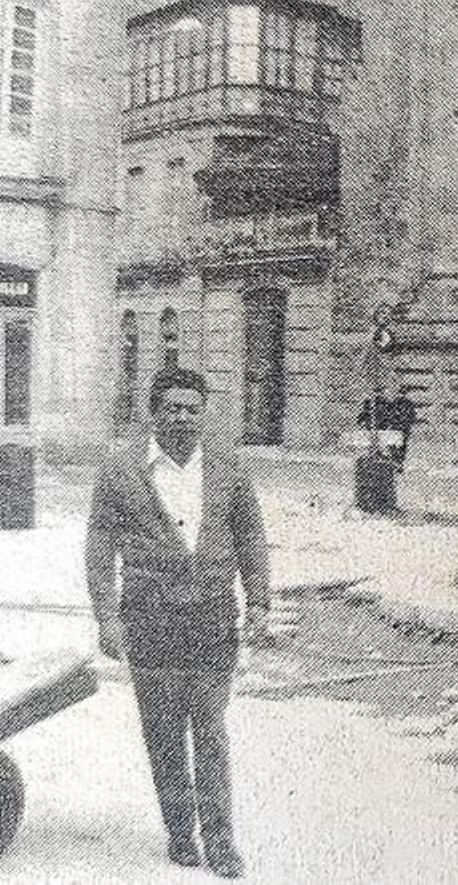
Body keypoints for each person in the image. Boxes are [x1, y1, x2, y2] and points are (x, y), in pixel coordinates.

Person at [85, 367, 269, 878]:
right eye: (173, 407)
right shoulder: (120, 470)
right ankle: (180, 832)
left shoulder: (229, 467)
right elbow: (99, 548)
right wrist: (107, 617)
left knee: (210, 730)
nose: (183, 417)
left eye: (193, 407)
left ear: (205, 412)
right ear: (153, 412)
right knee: (164, 734)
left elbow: (251, 539)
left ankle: (221, 840)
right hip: (150, 622)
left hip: (212, 619)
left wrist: (258, 603)